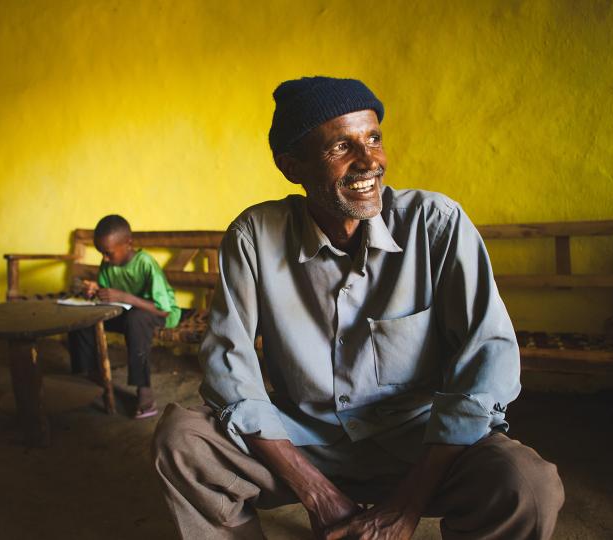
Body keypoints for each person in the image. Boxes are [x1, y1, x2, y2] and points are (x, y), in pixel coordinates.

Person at [152, 77, 564, 539]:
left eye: (374, 138)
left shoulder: (436, 224)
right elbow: (231, 372)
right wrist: (317, 493)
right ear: (292, 166)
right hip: (305, 441)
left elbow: (487, 365)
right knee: (183, 441)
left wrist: (407, 506)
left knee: (528, 485)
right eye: (341, 147)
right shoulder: (255, 237)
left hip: (420, 444)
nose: (369, 161)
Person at [69, 214, 180, 419]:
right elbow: (108, 294)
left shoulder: (145, 263)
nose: (105, 258)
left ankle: (144, 391)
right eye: (101, 253)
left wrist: (124, 296)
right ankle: (89, 375)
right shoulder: (108, 264)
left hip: (158, 313)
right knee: (83, 316)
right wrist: (95, 292)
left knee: (136, 319)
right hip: (125, 311)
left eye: (108, 253)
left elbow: (163, 309)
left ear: (128, 243)